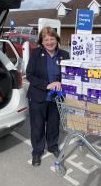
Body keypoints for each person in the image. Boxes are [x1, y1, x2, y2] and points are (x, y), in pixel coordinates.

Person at [26, 26, 69, 167]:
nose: (49, 42)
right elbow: (30, 75)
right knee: (37, 126)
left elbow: (70, 75)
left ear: (57, 39)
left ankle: (53, 146)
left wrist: (60, 83)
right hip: (38, 96)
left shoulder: (64, 55)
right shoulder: (36, 53)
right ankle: (37, 152)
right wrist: (47, 84)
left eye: (52, 38)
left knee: (53, 124)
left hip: (56, 97)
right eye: (46, 39)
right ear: (42, 42)